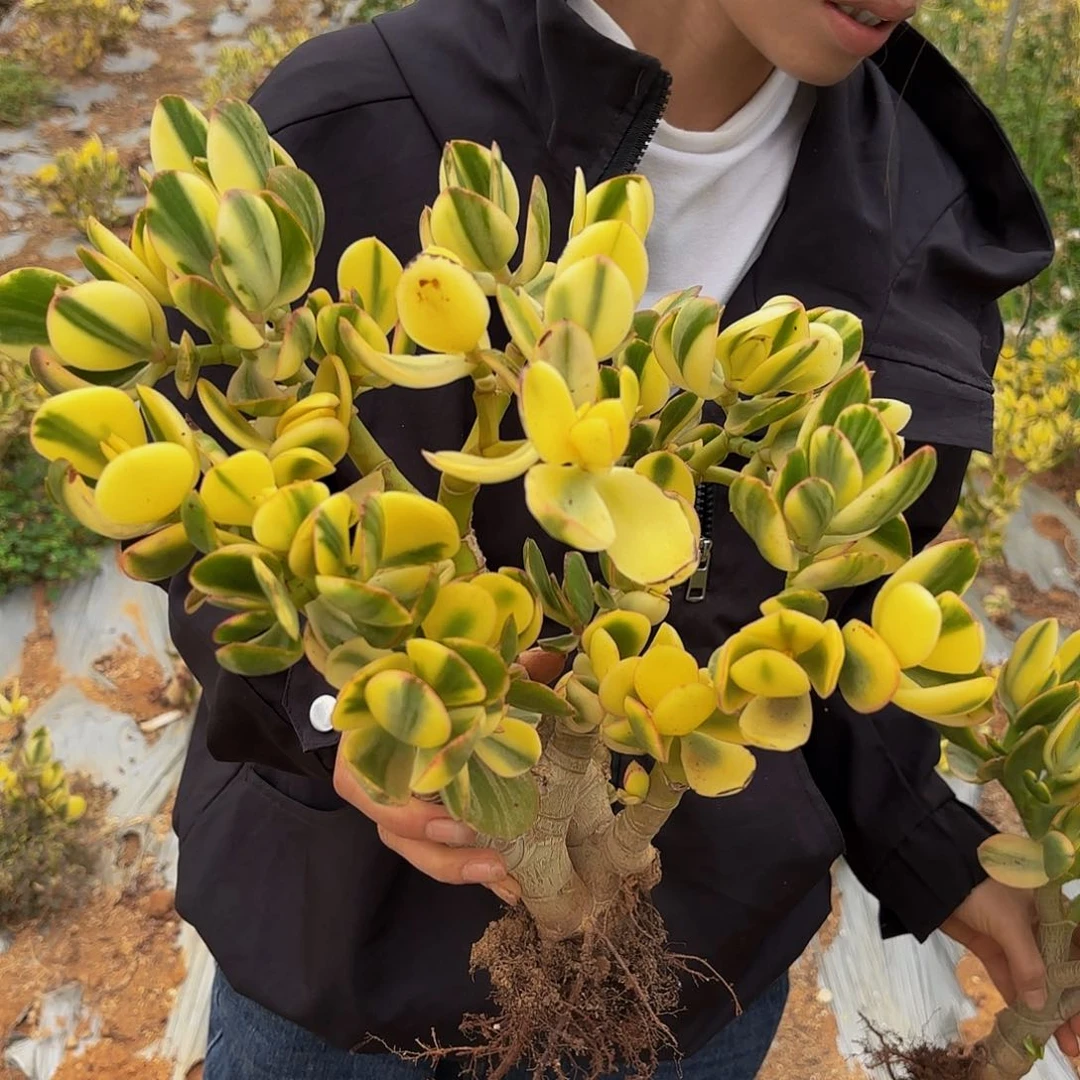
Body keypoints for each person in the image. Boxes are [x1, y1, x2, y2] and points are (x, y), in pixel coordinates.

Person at [165, 1, 1069, 1077]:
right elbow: (208, 516)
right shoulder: (359, 113)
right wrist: (339, 716)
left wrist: (935, 848)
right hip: (348, 972)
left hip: (690, 986)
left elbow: (843, 605)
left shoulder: (932, 206)